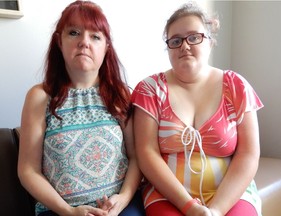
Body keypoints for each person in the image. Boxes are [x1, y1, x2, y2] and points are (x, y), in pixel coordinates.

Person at [132, 2, 263, 216]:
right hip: (167, 195)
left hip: (231, 194)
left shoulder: (237, 86)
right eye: (176, 41)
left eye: (194, 37)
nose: (184, 46)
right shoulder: (150, 89)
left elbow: (249, 154)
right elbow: (147, 153)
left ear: (210, 42)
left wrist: (217, 210)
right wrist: (189, 207)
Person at [17, 1, 144, 216]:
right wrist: (68, 211)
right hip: (58, 211)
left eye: (95, 36)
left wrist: (121, 201)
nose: (84, 42)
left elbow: (136, 157)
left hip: (122, 208)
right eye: (74, 32)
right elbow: (28, 170)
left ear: (106, 47)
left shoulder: (120, 94)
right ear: (59, 42)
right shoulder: (39, 97)